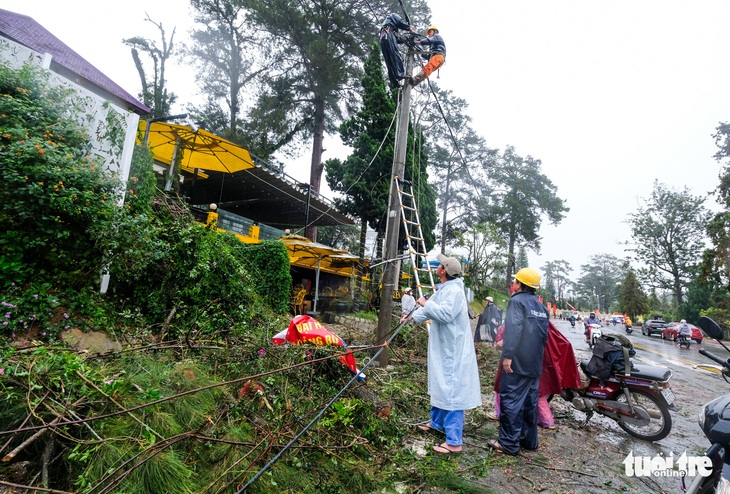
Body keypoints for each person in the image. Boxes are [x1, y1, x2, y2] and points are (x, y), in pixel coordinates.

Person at [410, 253, 481, 454]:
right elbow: (431, 310)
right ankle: (436, 423)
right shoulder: (445, 289)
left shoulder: (455, 292)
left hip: (453, 351)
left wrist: (425, 303)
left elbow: (444, 313)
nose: (437, 266)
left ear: (444, 271)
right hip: (444, 348)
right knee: (440, 385)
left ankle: (454, 442)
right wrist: (412, 318)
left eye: (440, 265)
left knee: (451, 391)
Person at [488, 267, 549, 456]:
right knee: (529, 404)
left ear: (520, 285)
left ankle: (507, 443)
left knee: (511, 402)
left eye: (514, 281)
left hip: (517, 363)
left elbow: (514, 330)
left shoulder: (517, 302)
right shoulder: (540, 307)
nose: (512, 284)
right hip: (534, 364)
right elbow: (543, 336)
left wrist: (507, 355)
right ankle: (529, 442)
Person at [379, 13, 413, 88]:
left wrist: (406, 39)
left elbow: (397, 40)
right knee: (395, 54)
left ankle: (394, 82)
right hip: (388, 33)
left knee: (389, 60)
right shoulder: (393, 15)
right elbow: (400, 22)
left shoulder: (390, 26)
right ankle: (400, 74)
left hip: (383, 37)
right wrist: (408, 27)